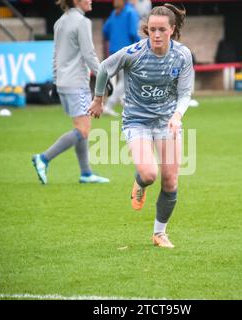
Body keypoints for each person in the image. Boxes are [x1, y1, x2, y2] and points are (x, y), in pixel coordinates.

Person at [88, 3, 193, 248]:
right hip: (137, 120)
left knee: (170, 180)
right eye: (152, 29)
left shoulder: (182, 55)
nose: (156, 35)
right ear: (146, 30)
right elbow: (104, 67)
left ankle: (159, 233)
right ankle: (140, 181)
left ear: (172, 30)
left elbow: (186, 92)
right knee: (149, 174)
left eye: (161, 30)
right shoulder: (133, 53)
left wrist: (177, 115)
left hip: (167, 121)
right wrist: (98, 99)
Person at [32, 0, 110, 184]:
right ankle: (43, 158)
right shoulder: (82, 22)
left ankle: (86, 173)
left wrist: (55, 80)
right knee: (83, 130)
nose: (90, 0)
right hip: (76, 83)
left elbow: (56, 55)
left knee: (81, 127)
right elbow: (89, 53)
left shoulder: (60, 21)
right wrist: (102, 77)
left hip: (63, 82)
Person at [102, 0, 141, 117]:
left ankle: (128, 105)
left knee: (126, 81)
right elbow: (133, 32)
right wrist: (141, 46)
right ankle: (109, 105)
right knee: (126, 81)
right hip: (128, 52)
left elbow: (105, 32)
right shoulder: (131, 12)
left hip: (115, 51)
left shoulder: (114, 13)